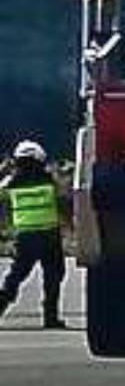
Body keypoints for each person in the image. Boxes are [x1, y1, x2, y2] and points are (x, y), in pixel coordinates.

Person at [0, 140, 66, 328]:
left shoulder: (11, 183)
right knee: (53, 277)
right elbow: (64, 196)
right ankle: (50, 317)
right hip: (49, 235)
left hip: (26, 238)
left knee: (16, 275)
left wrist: (4, 170)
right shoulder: (50, 180)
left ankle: (1, 304)